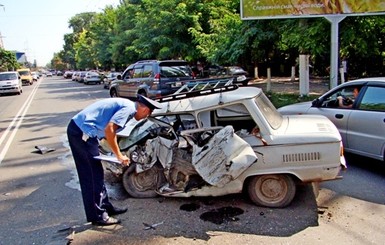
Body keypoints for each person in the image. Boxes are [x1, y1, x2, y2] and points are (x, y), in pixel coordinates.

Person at [67, 95, 162, 226]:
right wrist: (119, 155)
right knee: (90, 176)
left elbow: (110, 130)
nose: (145, 117)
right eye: (147, 114)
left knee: (97, 173)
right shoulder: (129, 109)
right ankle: (98, 216)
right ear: (145, 110)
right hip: (81, 133)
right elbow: (110, 129)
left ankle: (105, 207)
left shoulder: (128, 106)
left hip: (87, 133)